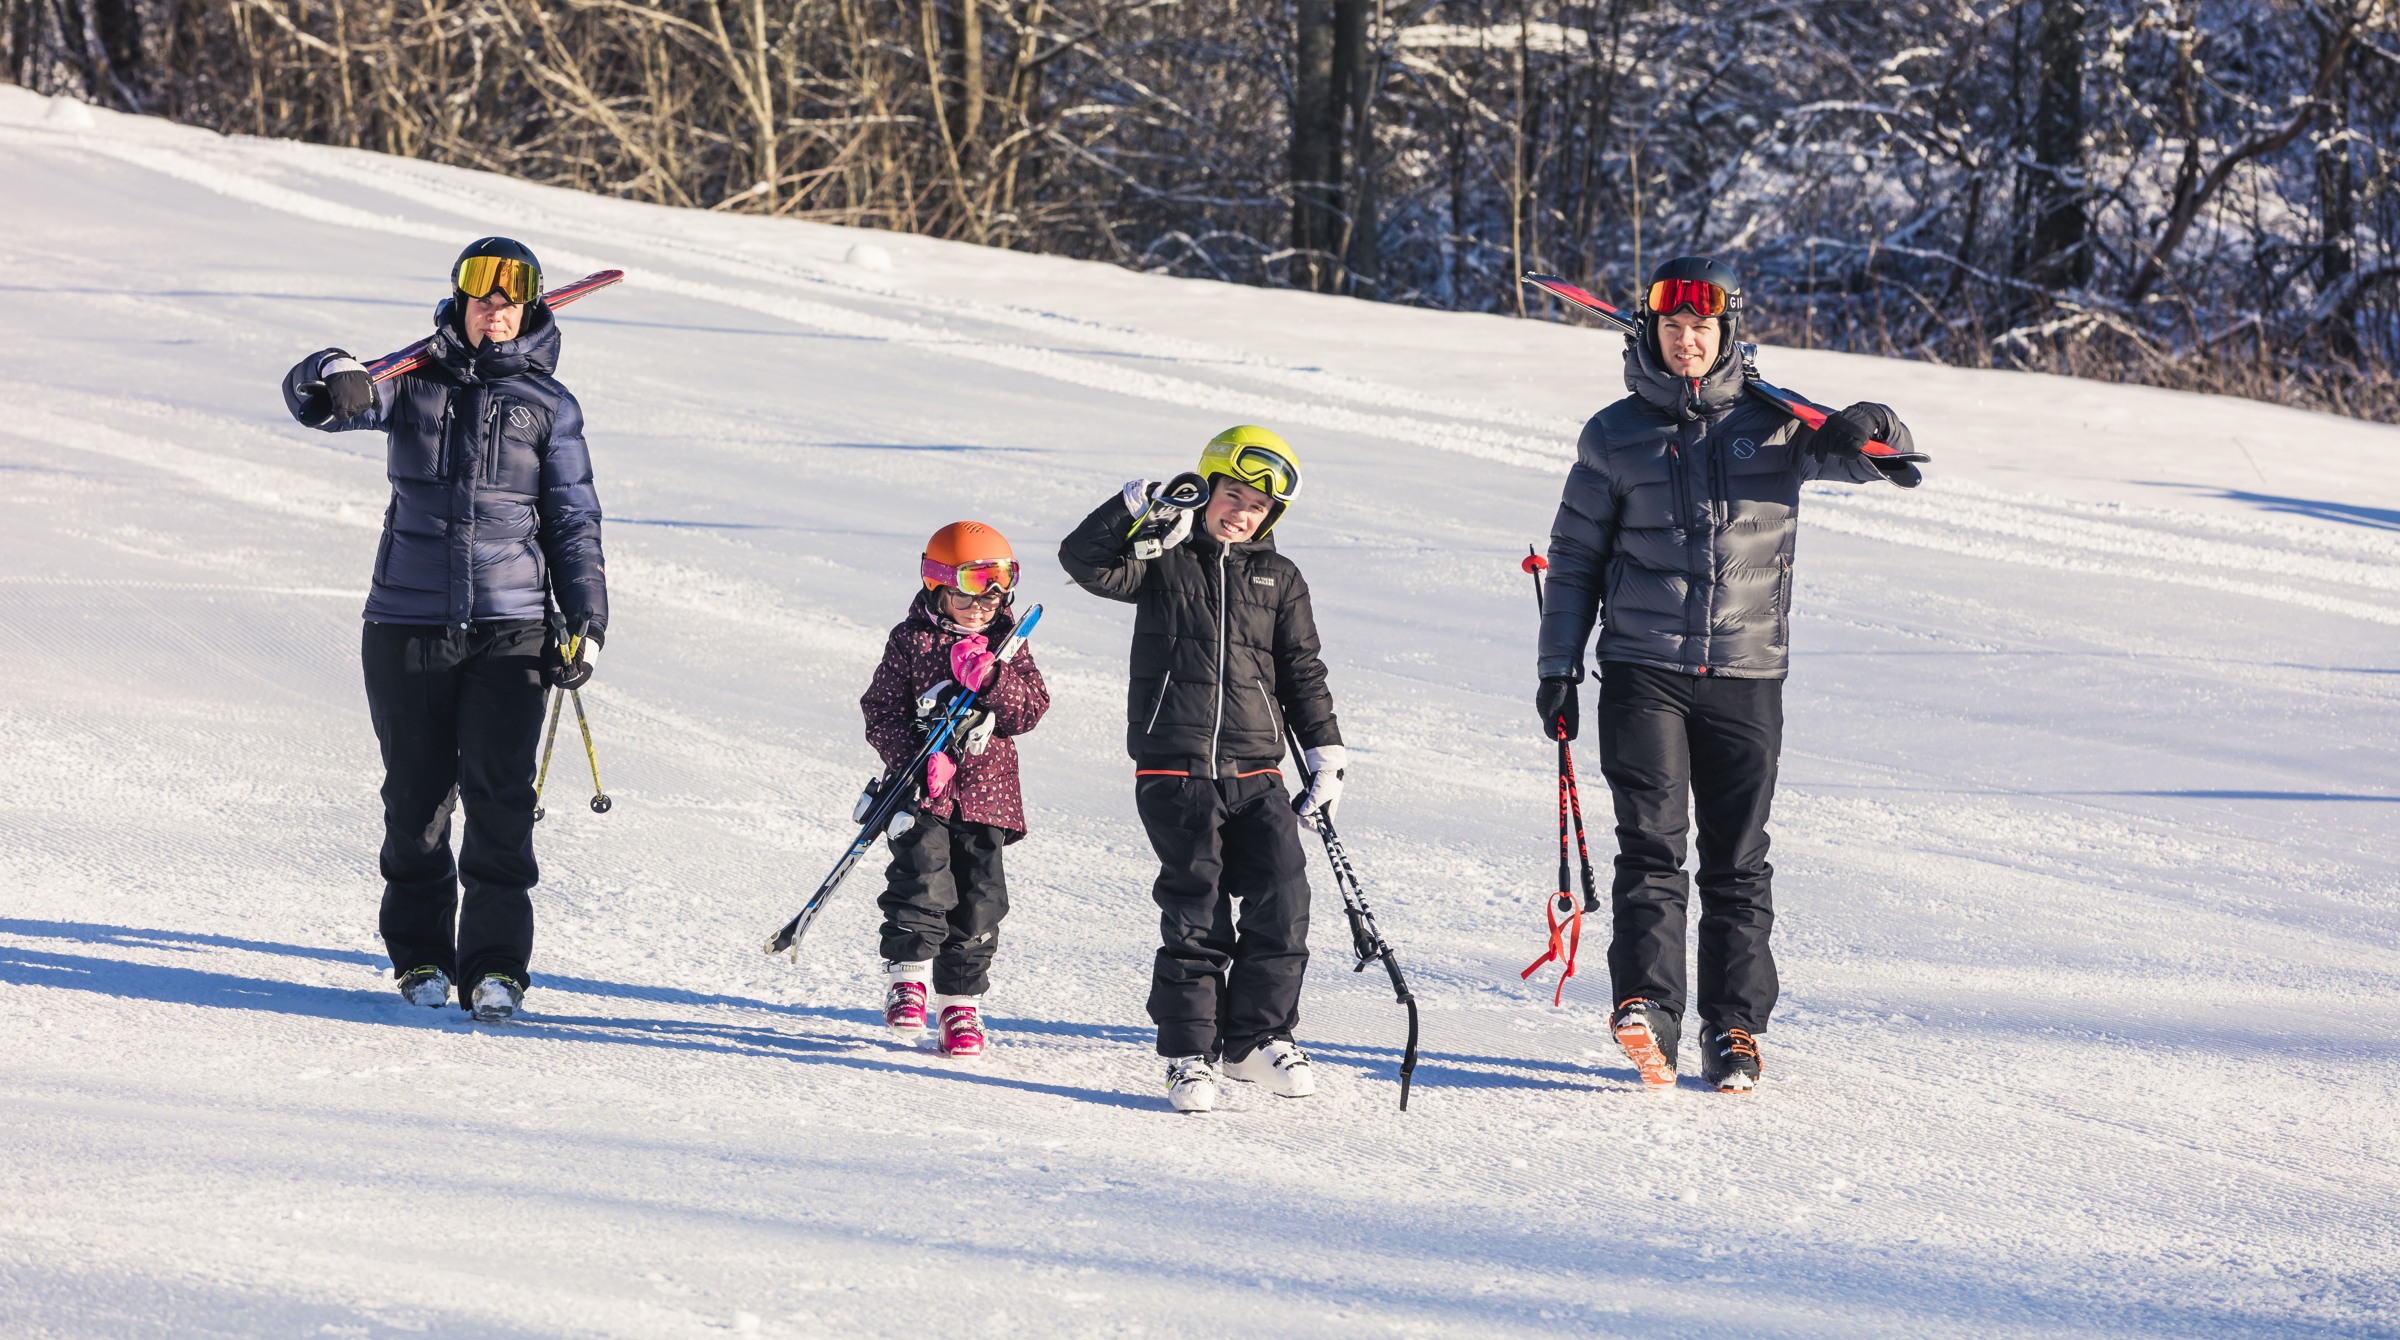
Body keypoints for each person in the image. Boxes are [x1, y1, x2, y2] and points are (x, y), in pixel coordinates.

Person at [1535, 256, 1923, 1093]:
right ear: (1651, 332)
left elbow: (1880, 456)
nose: (1686, 341)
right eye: (1672, 327)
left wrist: (1870, 422)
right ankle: (1646, 1011)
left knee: (1738, 860)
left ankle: (1735, 1028)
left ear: (1726, 333)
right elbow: (1573, 559)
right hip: (1643, 670)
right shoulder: (1613, 434)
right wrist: (1558, 665)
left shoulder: (1779, 425)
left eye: (1702, 328)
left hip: (1747, 673)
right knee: (1650, 848)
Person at [280, 236, 607, 1023]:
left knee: (501, 801)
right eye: (482, 297)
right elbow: (316, 401)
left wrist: (587, 622)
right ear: (461, 300)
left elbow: (572, 520)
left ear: (529, 307)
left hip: (513, 627)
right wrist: (333, 375)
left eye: (510, 299)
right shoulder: (412, 382)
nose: (495, 311)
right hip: (406, 624)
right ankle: (421, 956)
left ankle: (498, 969)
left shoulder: (549, 405)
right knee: (417, 802)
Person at [1059, 427, 1345, 1113]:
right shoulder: (1162, 559)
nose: (1240, 513)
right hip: (1174, 767)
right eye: (1232, 495)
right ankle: (1190, 1054)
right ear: (1208, 487)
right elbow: (1086, 562)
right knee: (1197, 909)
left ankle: (1254, 1040)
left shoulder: (1280, 578)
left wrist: (1327, 750)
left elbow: (1301, 671)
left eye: (1257, 507)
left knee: (1285, 896)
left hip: (1258, 769)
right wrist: (1131, 509)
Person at [858, 522, 1051, 1059]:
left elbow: (1030, 709)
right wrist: (914, 760)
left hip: (989, 797)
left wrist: (992, 678)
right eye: (970, 588)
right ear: (939, 584)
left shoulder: (1007, 647)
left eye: (997, 589)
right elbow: (880, 709)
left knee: (981, 900)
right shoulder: (912, 639)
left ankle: (960, 1005)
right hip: (924, 792)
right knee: (923, 880)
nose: (983, 603)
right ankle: (909, 976)